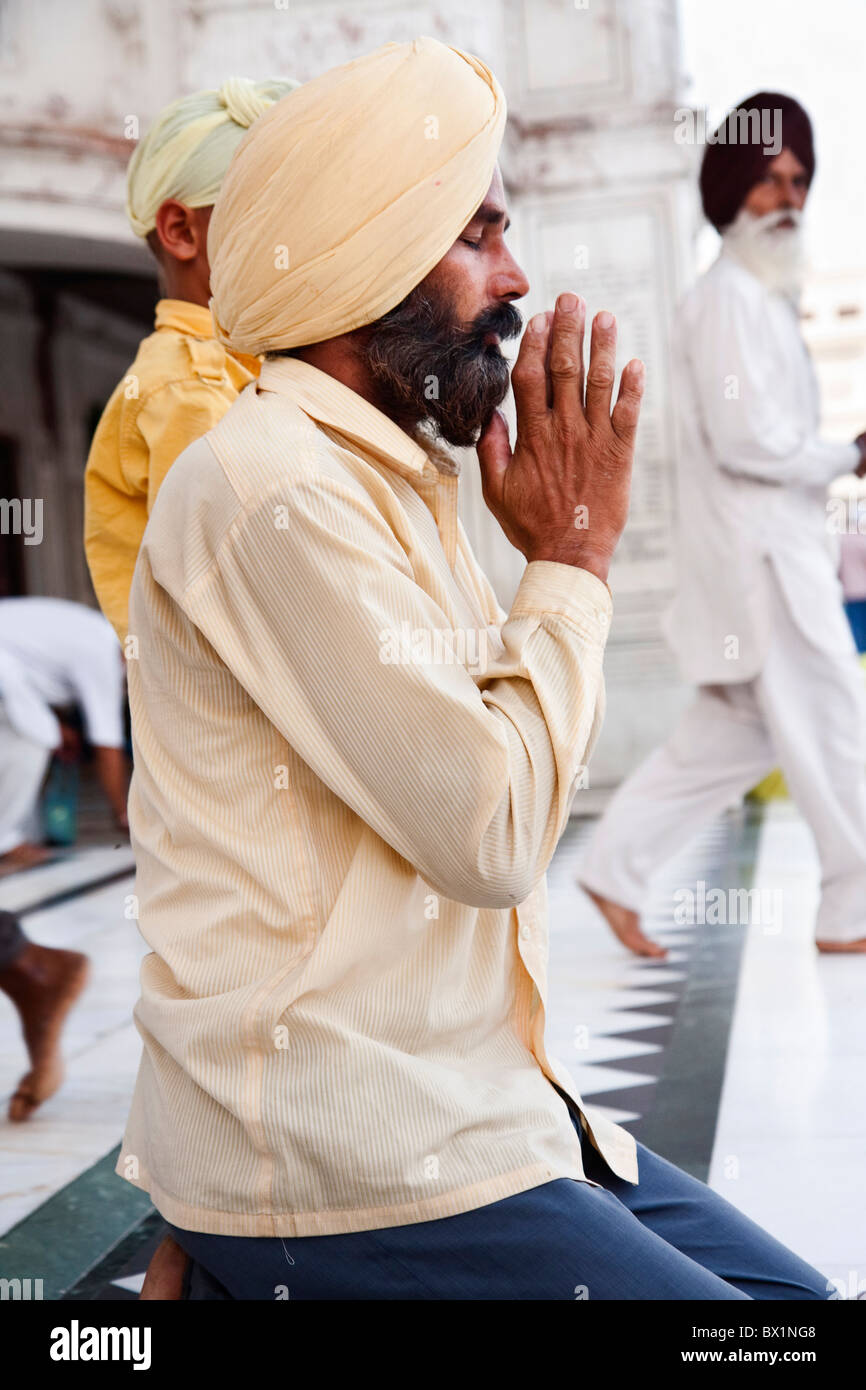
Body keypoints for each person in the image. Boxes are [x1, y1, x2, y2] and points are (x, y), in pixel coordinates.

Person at [117, 43, 829, 1300]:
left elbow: (485, 772)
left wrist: (549, 558)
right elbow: (491, 830)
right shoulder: (270, 487)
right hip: (357, 1155)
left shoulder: (393, 474)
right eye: (477, 234)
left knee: (790, 1307)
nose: (514, 280)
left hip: (481, 1104)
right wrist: (574, 554)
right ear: (363, 253)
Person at [579, 92, 866, 959]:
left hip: (768, 553)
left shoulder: (752, 298)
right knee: (831, 721)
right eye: (770, 180)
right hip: (766, 565)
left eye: (799, 181)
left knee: (730, 738)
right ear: (734, 186)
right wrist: (845, 456)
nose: (787, 198)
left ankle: (615, 869)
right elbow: (750, 442)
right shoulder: (732, 299)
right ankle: (852, 911)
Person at [83, 76, 298, 643]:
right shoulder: (184, 389)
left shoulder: (250, 363)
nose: (295, 239)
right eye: (266, 211)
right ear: (181, 230)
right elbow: (246, 603)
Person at [0, 596, 129, 871]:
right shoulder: (104, 655)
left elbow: (36, 669)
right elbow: (107, 746)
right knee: (31, 740)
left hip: (8, 668)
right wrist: (122, 814)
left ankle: (17, 836)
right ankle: (6, 842)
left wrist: (60, 728)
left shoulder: (98, 632)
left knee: (28, 737)